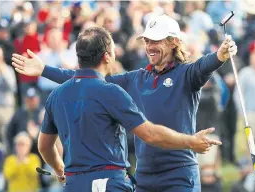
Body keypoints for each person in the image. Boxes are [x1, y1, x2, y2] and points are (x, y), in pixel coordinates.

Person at [12, 14, 237, 192]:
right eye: (147, 40)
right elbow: (85, 79)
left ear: (174, 42)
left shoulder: (187, 74)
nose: (149, 46)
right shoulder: (135, 78)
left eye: (156, 40)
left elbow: (204, 65)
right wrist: (44, 70)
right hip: (145, 177)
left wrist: (220, 55)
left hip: (179, 176)